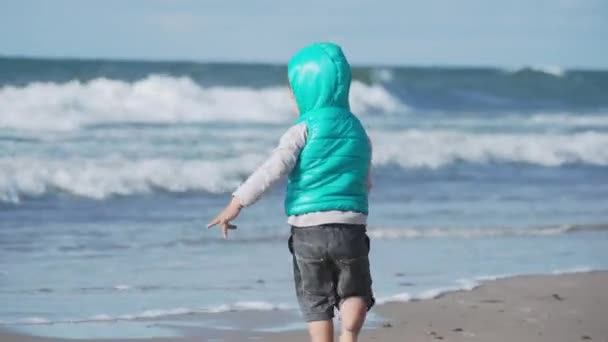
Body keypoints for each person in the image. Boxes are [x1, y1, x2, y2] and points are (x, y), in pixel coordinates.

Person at [208, 42, 374, 342]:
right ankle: (350, 326)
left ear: (306, 89)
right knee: (354, 288)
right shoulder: (357, 128)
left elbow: (273, 168)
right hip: (350, 226)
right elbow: (365, 178)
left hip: (307, 230)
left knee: (315, 297)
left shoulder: (302, 128)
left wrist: (237, 202)